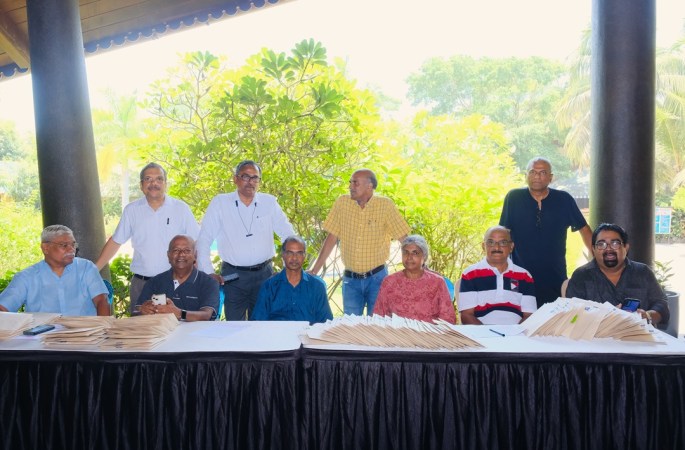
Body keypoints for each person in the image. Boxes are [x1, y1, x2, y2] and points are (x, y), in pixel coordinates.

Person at [95, 162, 200, 313]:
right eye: (148, 179)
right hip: (142, 284)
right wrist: (94, 270)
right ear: (141, 185)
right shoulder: (132, 210)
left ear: (165, 183)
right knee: (140, 326)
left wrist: (198, 277)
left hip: (175, 283)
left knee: (176, 325)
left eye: (159, 179)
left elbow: (196, 243)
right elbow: (116, 241)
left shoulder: (181, 209)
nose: (153, 183)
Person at [196, 160, 295, 320]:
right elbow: (204, 239)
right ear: (235, 179)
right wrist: (208, 272)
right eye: (245, 177)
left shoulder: (269, 203)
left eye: (255, 178)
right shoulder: (220, 203)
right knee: (235, 326)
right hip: (233, 276)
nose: (250, 182)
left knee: (264, 324)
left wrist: (288, 268)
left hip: (265, 275)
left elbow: (289, 235)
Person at [309, 168, 410, 316]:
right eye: (350, 182)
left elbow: (404, 238)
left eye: (355, 183)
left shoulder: (385, 206)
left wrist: (419, 267)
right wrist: (314, 270)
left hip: (378, 279)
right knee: (351, 326)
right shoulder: (342, 203)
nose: (350, 186)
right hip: (351, 281)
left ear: (370, 186)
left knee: (377, 325)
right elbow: (331, 238)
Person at [499, 156, 592, 307]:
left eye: (542, 173)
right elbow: (503, 232)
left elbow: (584, 229)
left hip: (555, 274)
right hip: (518, 274)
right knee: (517, 313)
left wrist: (597, 260)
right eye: (532, 172)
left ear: (551, 177)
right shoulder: (514, 198)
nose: (537, 176)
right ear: (526, 175)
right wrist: (498, 264)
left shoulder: (563, 199)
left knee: (553, 315)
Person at [566, 223, 669, 326]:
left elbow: (661, 305)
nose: (608, 249)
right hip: (596, 334)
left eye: (615, 243)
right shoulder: (581, 276)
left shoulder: (642, 272)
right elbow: (571, 314)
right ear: (593, 249)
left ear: (626, 248)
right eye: (601, 244)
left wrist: (647, 316)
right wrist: (606, 316)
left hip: (638, 333)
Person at [0, 225, 110, 316]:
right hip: (42, 334)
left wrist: (103, 329)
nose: (71, 249)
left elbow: (101, 301)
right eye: (64, 245)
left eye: (73, 244)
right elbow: (3, 307)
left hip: (86, 333)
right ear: (45, 248)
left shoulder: (86, 268)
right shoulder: (26, 277)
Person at [459, 226, 537, 325]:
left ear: (511, 247)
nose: (496, 247)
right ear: (483, 246)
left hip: (516, 332)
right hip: (480, 332)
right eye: (491, 242)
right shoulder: (470, 274)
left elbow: (529, 316)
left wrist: (515, 332)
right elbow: (466, 315)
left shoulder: (525, 276)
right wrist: (487, 333)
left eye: (503, 242)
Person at [372, 235, 456, 324]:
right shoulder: (390, 282)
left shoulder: (437, 282)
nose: (409, 257)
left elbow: (448, 318)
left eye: (415, 253)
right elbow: (379, 316)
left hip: (429, 331)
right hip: (397, 331)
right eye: (406, 252)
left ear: (424, 257)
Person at [135, 235, 219, 321]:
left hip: (197, 330)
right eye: (176, 250)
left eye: (187, 250)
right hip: (163, 329)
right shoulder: (154, 282)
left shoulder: (209, 283)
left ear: (195, 255)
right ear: (168, 255)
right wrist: (143, 310)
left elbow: (206, 315)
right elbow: (136, 312)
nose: (181, 254)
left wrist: (180, 313)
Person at [252, 236, 333, 325]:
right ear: (283, 255)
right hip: (277, 333)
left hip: (308, 333)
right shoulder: (269, 286)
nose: (294, 258)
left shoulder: (317, 287)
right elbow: (258, 322)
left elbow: (326, 322)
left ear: (304, 256)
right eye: (290, 253)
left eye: (299, 253)